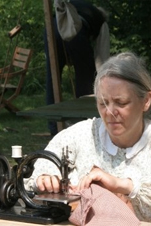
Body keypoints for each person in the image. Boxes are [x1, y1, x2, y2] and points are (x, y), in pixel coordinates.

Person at [25, 52, 151, 226]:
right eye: (103, 103)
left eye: (121, 102)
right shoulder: (82, 135)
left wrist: (124, 185)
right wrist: (45, 178)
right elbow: (45, 164)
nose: (109, 112)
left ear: (146, 101)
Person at [44, 0, 109, 136]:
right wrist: (102, 76)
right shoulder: (101, 21)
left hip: (52, 28)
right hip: (76, 31)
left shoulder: (78, 6)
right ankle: (84, 122)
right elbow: (102, 54)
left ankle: (54, 127)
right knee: (85, 78)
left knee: (53, 78)